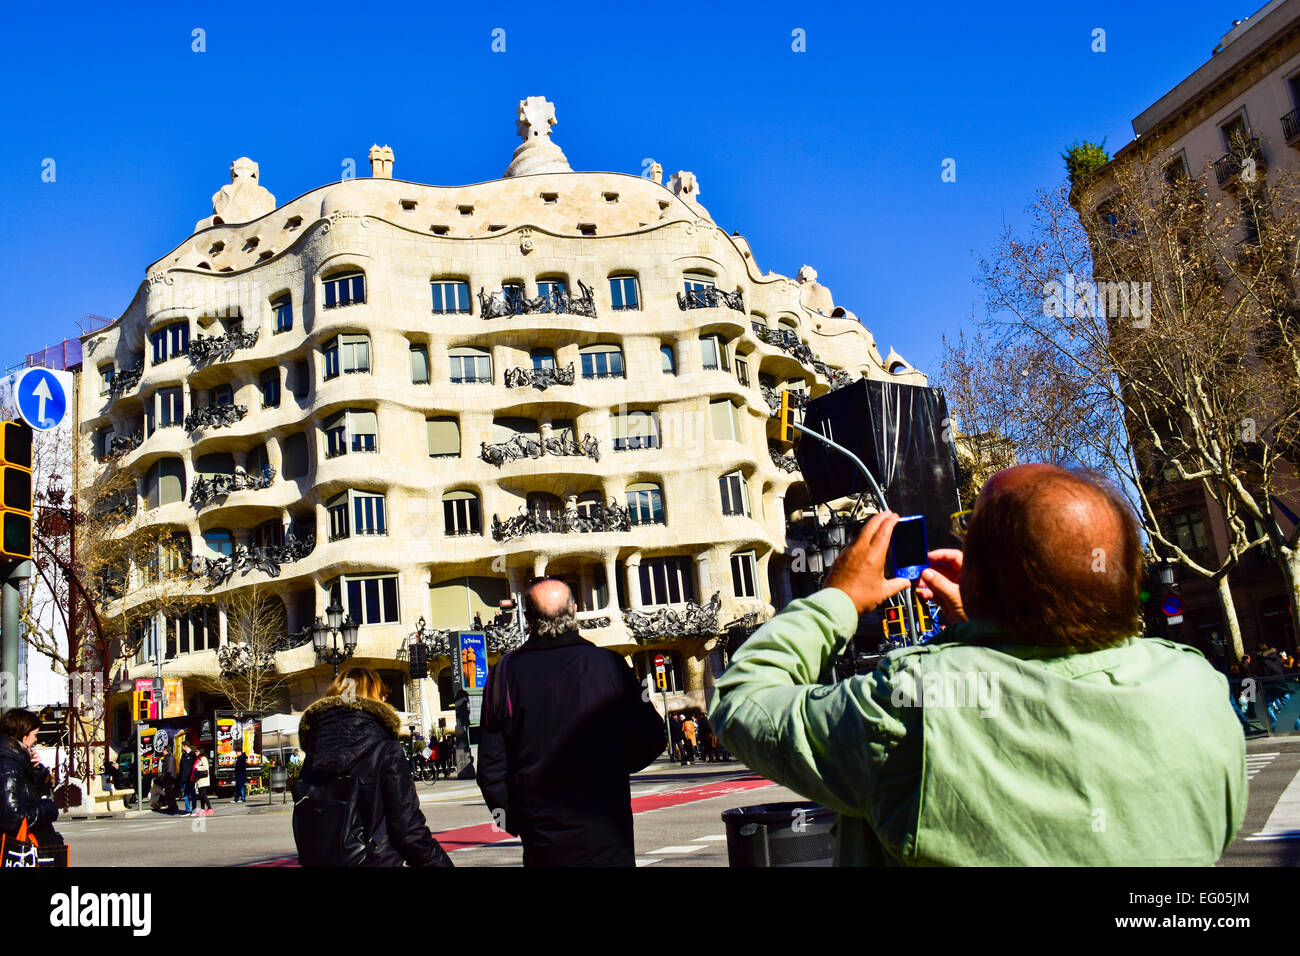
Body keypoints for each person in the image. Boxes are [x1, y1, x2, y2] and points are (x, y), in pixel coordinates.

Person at [711, 465, 1248, 865]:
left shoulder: (918, 704)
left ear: (984, 579)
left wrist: (838, 600)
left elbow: (743, 702)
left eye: (973, 528)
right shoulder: (1198, 687)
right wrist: (991, 621)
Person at [477, 578, 666, 866]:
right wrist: (613, 769)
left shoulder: (503, 675)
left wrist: (512, 819)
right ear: (575, 611)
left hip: (542, 834)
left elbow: (490, 767)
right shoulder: (612, 665)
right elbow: (653, 736)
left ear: (528, 618)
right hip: (606, 825)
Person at [296, 666, 453, 867]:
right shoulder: (385, 748)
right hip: (376, 860)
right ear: (374, 698)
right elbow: (408, 829)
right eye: (383, 695)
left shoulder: (315, 750)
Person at [0, 708, 62, 847]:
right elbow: (14, 817)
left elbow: (25, 791)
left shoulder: (15, 759)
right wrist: (47, 808)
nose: (36, 739)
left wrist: (35, 769)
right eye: (35, 734)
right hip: (17, 847)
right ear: (24, 736)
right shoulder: (8, 764)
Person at [178, 740, 197, 815]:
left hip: (191, 778)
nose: (182, 748)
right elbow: (181, 767)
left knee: (192, 794)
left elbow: (195, 766)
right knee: (185, 794)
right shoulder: (183, 755)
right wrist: (180, 778)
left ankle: (194, 809)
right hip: (184, 778)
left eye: (182, 746)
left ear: (185, 746)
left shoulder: (193, 755)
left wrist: (194, 776)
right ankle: (187, 810)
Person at [192, 748, 213, 815]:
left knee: (203, 795)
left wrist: (197, 767)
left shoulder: (203, 758)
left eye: (197, 751)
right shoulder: (199, 759)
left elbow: (206, 767)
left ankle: (210, 808)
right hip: (199, 780)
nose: (195, 752)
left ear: (200, 751)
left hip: (203, 780)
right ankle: (202, 809)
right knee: (201, 795)